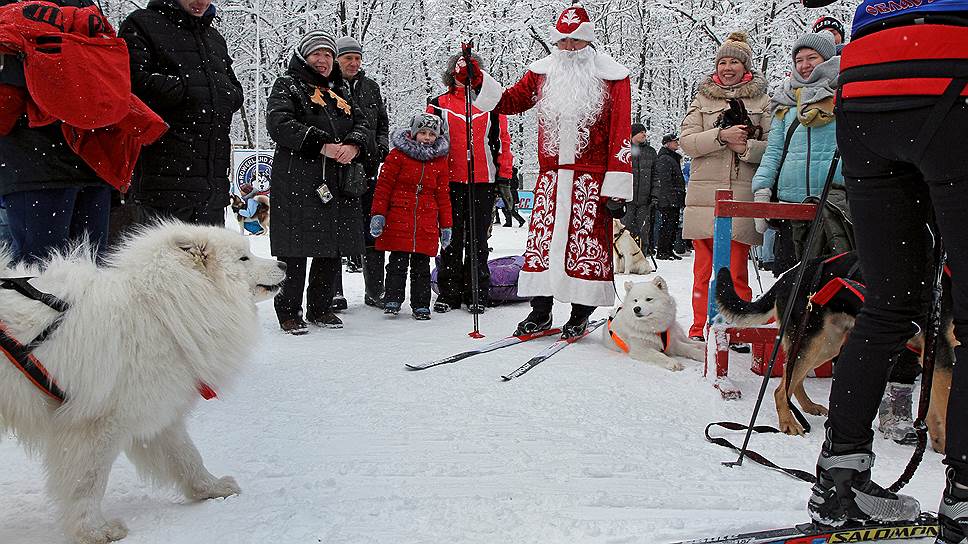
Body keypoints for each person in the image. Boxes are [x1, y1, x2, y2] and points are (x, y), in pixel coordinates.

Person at [799, 1, 968, 540]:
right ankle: (963, 497)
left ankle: (839, 479)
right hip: (952, 73)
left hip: (867, 84)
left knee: (889, 302)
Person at [471, 1, 633, 338]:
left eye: (576, 41)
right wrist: (476, 80)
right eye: (563, 41)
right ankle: (540, 312)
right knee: (544, 246)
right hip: (551, 179)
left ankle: (579, 314)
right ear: (555, 42)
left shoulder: (613, 76)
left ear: (588, 43)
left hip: (591, 181)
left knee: (585, 248)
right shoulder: (542, 72)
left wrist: (616, 187)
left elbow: (620, 131)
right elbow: (509, 102)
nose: (569, 48)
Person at [0, 0, 162, 264]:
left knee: (66, 276)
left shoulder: (74, 8)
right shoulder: (81, 12)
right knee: (62, 274)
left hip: (64, 163)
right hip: (64, 158)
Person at [265, 31, 368, 334]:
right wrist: (320, 143)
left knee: (330, 246)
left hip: (335, 180)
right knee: (296, 247)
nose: (322, 60)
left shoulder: (341, 91)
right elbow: (280, 123)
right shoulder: (288, 85)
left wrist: (354, 144)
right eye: (316, 54)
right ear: (304, 56)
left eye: (327, 54)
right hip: (298, 178)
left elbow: (362, 122)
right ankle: (289, 310)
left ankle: (320, 307)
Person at [119, 0, 244, 227]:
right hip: (162, 185)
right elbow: (130, 83)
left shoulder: (214, 38)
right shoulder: (142, 24)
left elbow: (233, 90)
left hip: (212, 188)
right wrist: (184, 89)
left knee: (212, 262)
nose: (201, 2)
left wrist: (226, 95)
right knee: (165, 261)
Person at [679, 31, 770, 341]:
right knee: (703, 269)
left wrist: (745, 146)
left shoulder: (763, 101)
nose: (727, 67)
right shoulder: (702, 99)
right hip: (705, 196)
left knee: (736, 269)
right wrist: (720, 137)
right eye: (723, 61)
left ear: (746, 67)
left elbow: (773, 147)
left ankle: (736, 329)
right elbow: (687, 142)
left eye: (734, 61)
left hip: (741, 194)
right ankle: (700, 327)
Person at [751, 32, 849, 273]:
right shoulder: (785, 101)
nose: (804, 66)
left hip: (834, 209)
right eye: (799, 60)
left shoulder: (845, 96)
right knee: (788, 284)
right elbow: (773, 152)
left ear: (827, 59)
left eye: (811, 58)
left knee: (831, 282)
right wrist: (761, 189)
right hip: (789, 209)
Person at [428, 52, 514, 315]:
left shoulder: (491, 104)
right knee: (451, 237)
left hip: (483, 180)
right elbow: (429, 140)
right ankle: (448, 291)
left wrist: (505, 178)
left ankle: (477, 290)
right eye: (460, 74)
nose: (465, 80)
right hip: (449, 180)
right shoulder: (438, 103)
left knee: (478, 239)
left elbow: (503, 142)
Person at [369, 113, 452, 320]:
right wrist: (378, 214)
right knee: (397, 264)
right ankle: (393, 298)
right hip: (399, 217)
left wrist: (446, 225)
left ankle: (421, 304)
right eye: (422, 132)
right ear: (414, 133)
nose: (426, 137)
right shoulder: (398, 156)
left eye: (432, 134)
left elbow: (443, 195)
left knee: (421, 267)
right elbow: (384, 186)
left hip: (426, 221)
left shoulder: (439, 161)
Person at [333, 36, 390, 309]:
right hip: (334, 169)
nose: (354, 63)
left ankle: (375, 290)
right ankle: (332, 291)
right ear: (337, 60)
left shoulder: (371, 88)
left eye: (357, 58)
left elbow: (382, 124)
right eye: (348, 58)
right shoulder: (327, 86)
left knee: (372, 229)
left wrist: (380, 148)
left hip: (367, 169)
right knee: (334, 230)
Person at [622, 123, 658, 255]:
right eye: (641, 132)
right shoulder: (624, 150)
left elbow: (656, 175)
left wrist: (655, 195)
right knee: (625, 229)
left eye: (645, 132)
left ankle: (642, 256)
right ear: (632, 134)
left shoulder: (651, 151)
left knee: (644, 230)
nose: (644, 134)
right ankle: (625, 256)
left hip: (645, 200)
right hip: (627, 198)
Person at [654, 134, 687, 260]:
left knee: (672, 224)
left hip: (673, 197)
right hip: (668, 199)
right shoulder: (665, 158)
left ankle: (668, 249)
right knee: (667, 225)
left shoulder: (671, 158)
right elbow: (665, 181)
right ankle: (663, 250)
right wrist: (672, 198)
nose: (677, 143)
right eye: (674, 141)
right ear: (667, 143)